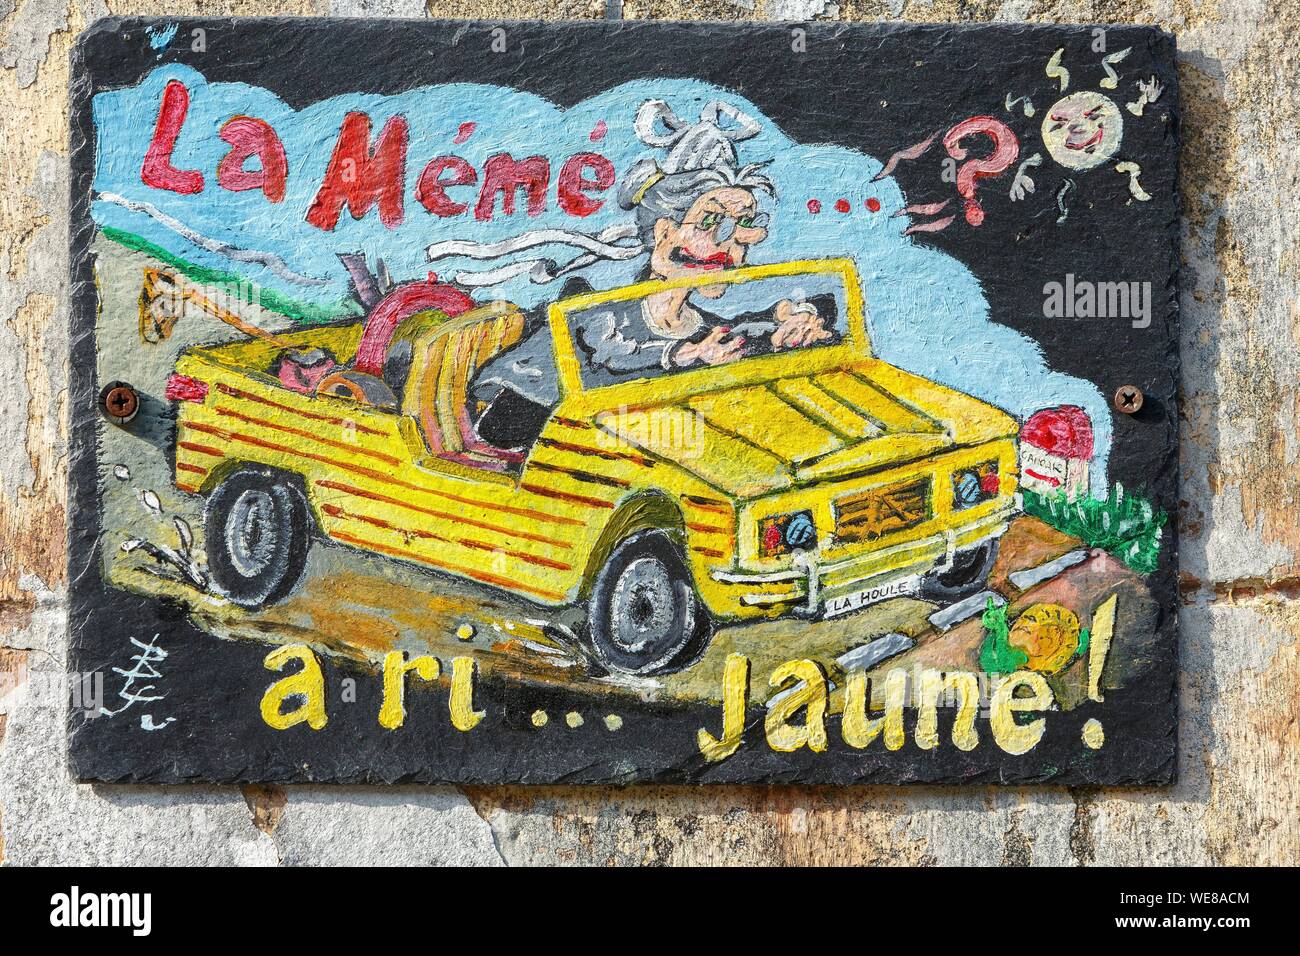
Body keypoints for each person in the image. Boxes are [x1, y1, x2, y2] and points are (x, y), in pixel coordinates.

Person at [448, 100, 832, 451]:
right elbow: (612, 351)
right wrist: (680, 354)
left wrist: (779, 324)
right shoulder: (601, 314)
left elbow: (729, 335)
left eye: (743, 225)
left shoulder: (695, 326)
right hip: (521, 429)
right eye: (711, 221)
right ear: (665, 233)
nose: (729, 244)